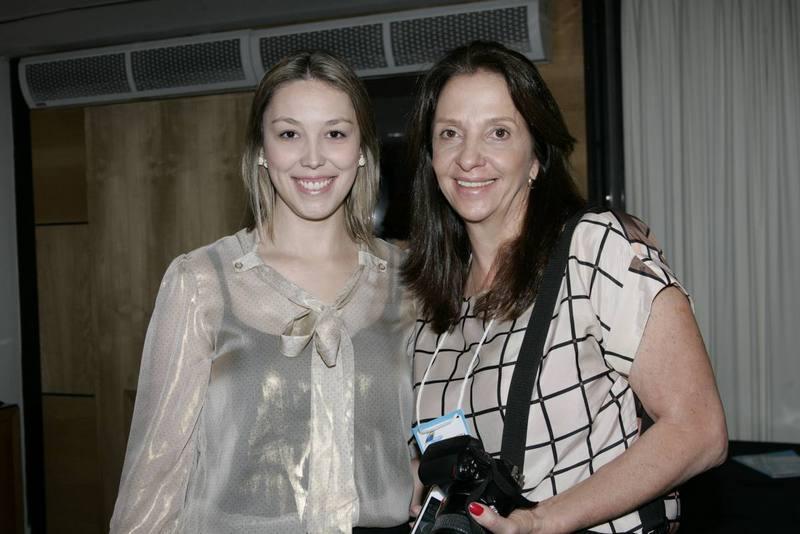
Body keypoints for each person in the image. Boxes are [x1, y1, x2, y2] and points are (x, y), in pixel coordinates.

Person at [403, 41, 728, 534]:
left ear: (535, 157)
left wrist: (542, 521)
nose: (469, 157)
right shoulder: (428, 295)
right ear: (431, 156)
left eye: (498, 132)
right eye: (450, 133)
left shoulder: (592, 248)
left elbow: (699, 430)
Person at [110, 50, 416, 533]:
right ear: (261, 150)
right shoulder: (201, 282)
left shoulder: (408, 281)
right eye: (289, 134)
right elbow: (156, 472)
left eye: (335, 133)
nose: (312, 157)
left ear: (362, 149)